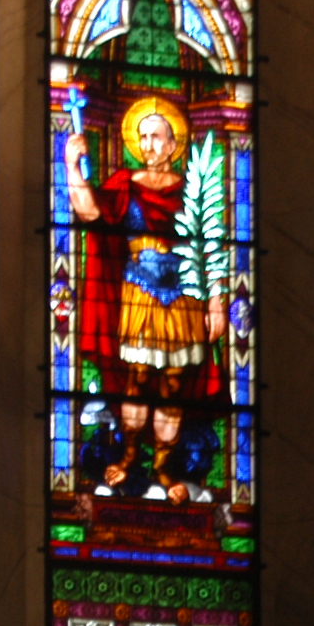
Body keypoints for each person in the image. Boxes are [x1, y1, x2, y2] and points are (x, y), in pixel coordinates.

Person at [65, 96, 230, 402]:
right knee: (136, 378)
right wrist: (72, 166)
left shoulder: (191, 190)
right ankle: (126, 434)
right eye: (142, 137)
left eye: (155, 137)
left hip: (184, 299)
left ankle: (170, 437)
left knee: (176, 384)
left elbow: (210, 247)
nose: (147, 145)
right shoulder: (124, 184)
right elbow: (89, 213)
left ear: (172, 145)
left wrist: (216, 303)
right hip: (138, 295)